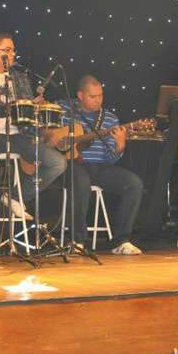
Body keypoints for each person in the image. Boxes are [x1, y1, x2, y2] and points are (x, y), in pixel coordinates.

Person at [0, 32, 66, 220]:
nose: (13, 54)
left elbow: (25, 110)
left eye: (13, 50)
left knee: (57, 163)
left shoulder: (20, 78)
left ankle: (16, 197)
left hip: (17, 134)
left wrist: (34, 107)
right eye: (7, 50)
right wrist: (16, 107)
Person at [55, 75, 144, 255]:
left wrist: (120, 146)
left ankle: (121, 240)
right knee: (80, 181)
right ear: (80, 95)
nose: (98, 100)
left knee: (134, 183)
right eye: (93, 97)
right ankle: (77, 240)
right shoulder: (62, 109)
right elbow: (47, 132)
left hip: (101, 167)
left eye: (101, 96)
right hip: (72, 165)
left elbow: (110, 159)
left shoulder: (110, 119)